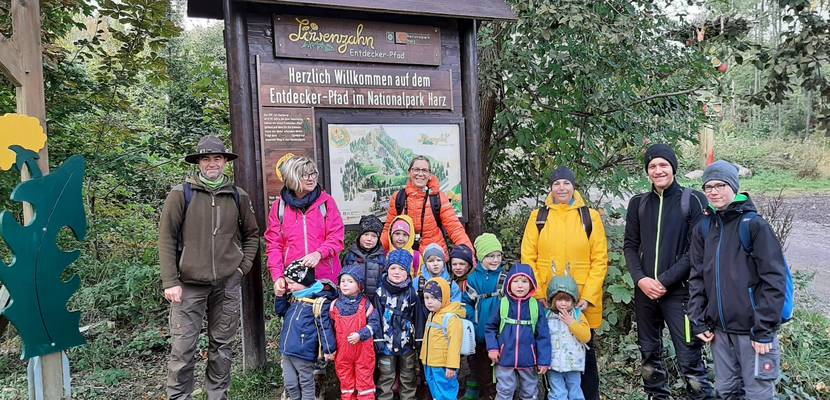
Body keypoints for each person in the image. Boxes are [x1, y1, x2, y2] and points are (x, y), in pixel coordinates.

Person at [158, 135, 259, 399]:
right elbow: (166, 237)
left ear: (225, 161)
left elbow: (252, 235)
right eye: (206, 158)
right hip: (188, 285)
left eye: (217, 158)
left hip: (226, 284)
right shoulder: (182, 194)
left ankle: (217, 396)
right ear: (198, 163)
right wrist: (170, 281)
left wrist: (240, 270)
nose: (212, 163)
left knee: (222, 348)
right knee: (183, 348)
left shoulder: (238, 196)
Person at [689, 160, 787, 400]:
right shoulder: (704, 227)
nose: (713, 191)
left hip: (753, 333)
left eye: (720, 185)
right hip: (720, 333)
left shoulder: (754, 225)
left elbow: (774, 279)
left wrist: (764, 329)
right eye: (708, 187)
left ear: (733, 186)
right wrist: (698, 320)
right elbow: (697, 277)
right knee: (726, 391)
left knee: (758, 394)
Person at [623, 144, 714, 400]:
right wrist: (640, 279)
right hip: (645, 295)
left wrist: (663, 281)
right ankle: (656, 396)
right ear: (647, 172)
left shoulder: (693, 200)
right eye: (652, 166)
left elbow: (697, 250)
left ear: (673, 167)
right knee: (649, 355)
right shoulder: (638, 203)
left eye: (663, 165)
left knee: (690, 359)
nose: (658, 170)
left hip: (680, 295)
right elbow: (630, 245)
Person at [520, 167, 608, 400]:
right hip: (547, 300)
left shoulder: (589, 217)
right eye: (557, 183)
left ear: (574, 186)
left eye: (566, 184)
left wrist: (587, 297)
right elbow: (528, 258)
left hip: (580, 299)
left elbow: (599, 260)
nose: (562, 188)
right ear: (551, 187)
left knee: (584, 354)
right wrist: (539, 294)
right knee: (550, 352)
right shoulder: (539, 217)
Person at [265, 155, 345, 285]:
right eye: (305, 175)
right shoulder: (279, 207)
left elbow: (337, 237)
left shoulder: (326, 203)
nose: (311, 178)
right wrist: (277, 276)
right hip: (293, 281)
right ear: (292, 178)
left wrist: (318, 254)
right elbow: (274, 245)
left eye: (313, 173)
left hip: (325, 278)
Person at [381, 155, 472, 256]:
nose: (420, 174)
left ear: (429, 175)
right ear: (409, 172)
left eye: (424, 170)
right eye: (416, 169)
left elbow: (455, 229)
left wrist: (468, 255)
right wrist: (376, 252)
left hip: (433, 259)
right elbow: (389, 228)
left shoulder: (438, 198)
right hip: (404, 257)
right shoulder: (398, 197)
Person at [485, 263, 551, 400]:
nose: (520, 285)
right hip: (504, 358)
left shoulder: (536, 306)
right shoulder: (502, 304)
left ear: (532, 284)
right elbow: (490, 327)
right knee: (505, 390)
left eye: (524, 281)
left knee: (530, 391)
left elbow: (543, 336)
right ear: (508, 283)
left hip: (528, 359)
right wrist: (492, 348)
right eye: (515, 281)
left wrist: (544, 360)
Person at [274, 260, 337, 400]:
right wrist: (280, 296)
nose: (288, 287)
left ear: (303, 281)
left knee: (306, 383)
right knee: (290, 384)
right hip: (287, 350)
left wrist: (329, 349)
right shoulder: (295, 298)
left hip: (304, 351)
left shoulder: (319, 301)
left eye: (291, 283)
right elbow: (281, 311)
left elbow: (324, 326)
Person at [463, 233, 508, 400]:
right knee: (476, 360)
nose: (495, 260)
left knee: (497, 363)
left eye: (498, 255)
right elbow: (467, 301)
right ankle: (475, 387)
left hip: (499, 330)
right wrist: (470, 318)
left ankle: (494, 391)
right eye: (490, 256)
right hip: (478, 327)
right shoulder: (473, 278)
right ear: (481, 257)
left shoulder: (504, 277)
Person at [375, 250, 420, 400]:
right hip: (386, 344)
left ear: (408, 272)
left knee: (408, 377)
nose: (397, 272)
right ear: (387, 269)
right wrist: (378, 340)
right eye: (393, 268)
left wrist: (418, 340)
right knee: (386, 376)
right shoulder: (380, 293)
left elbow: (417, 317)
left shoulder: (412, 293)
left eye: (402, 269)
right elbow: (376, 318)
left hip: (407, 343)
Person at [332, 265, 381, 400]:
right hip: (342, 352)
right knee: (346, 384)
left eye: (350, 281)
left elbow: (374, 324)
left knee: (365, 383)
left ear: (359, 285)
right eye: (343, 281)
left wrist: (361, 334)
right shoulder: (334, 305)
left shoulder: (366, 304)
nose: (345, 284)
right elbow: (329, 328)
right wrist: (329, 348)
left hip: (363, 351)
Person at [545, 274, 591, 400]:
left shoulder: (577, 315)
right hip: (553, 363)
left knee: (575, 392)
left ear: (573, 301)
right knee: (557, 393)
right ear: (553, 300)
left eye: (567, 300)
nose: (563, 304)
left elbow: (586, 337)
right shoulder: (547, 315)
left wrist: (571, 323)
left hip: (573, 363)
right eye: (559, 300)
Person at [420, 278, 465, 400]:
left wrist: (451, 366)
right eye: (426, 298)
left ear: (444, 297)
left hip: (443, 365)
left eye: (434, 298)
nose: (429, 302)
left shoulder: (451, 318)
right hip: (430, 363)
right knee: (436, 393)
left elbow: (455, 344)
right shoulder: (432, 314)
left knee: (446, 393)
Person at [342, 214, 387, 300]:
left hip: (374, 301)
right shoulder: (351, 255)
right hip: (354, 300)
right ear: (359, 236)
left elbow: (384, 280)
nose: (369, 239)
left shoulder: (381, 257)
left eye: (374, 236)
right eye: (366, 234)